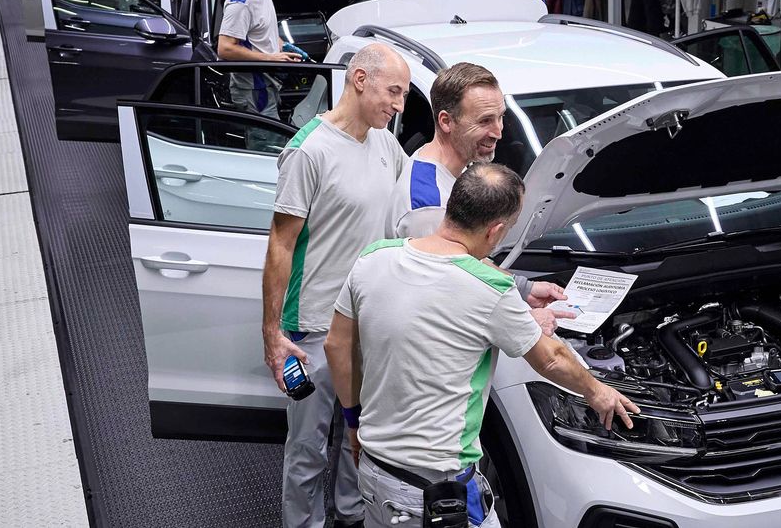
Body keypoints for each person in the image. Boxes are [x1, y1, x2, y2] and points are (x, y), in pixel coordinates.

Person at [327, 164, 639, 528]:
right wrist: (598, 392)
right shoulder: (489, 289)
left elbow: (337, 346)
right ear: (496, 231)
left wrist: (352, 422)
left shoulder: (372, 258)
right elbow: (551, 359)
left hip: (374, 472)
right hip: (434, 494)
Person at [265, 43, 412, 528]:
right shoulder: (309, 150)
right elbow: (281, 245)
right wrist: (272, 333)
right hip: (311, 330)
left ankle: (352, 516)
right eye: (394, 92)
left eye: (405, 96)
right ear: (359, 79)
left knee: (362, 440)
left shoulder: (386, 144)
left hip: (368, 325)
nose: (399, 105)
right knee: (307, 450)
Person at [394, 63, 575, 336]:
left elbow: (469, 261)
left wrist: (524, 288)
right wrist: (524, 319)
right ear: (446, 121)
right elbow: (453, 291)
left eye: (500, 117)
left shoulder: (457, 167)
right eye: (484, 121)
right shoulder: (428, 203)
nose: (499, 131)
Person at [217, 0, 304, 121]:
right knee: (264, 147)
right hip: (254, 91)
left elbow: (259, 32)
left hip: (267, 85)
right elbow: (224, 48)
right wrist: (270, 58)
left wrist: (282, 46)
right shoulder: (241, 1)